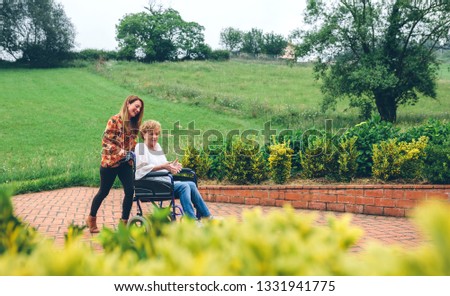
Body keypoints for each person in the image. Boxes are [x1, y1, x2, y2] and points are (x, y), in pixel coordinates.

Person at [86, 95, 144, 233]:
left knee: (130, 191)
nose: (137, 110)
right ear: (128, 104)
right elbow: (106, 142)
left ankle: (123, 225)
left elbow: (134, 144)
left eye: (139, 108)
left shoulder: (134, 125)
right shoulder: (114, 120)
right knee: (104, 191)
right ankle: (91, 218)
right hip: (110, 163)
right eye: (136, 106)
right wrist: (121, 152)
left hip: (125, 164)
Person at [134, 120, 214, 221]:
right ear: (144, 134)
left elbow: (163, 164)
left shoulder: (157, 147)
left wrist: (172, 166)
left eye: (157, 134)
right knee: (184, 186)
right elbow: (142, 169)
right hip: (151, 184)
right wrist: (164, 166)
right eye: (151, 134)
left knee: (191, 184)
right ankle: (192, 220)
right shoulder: (141, 147)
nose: (154, 137)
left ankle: (207, 216)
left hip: (164, 182)